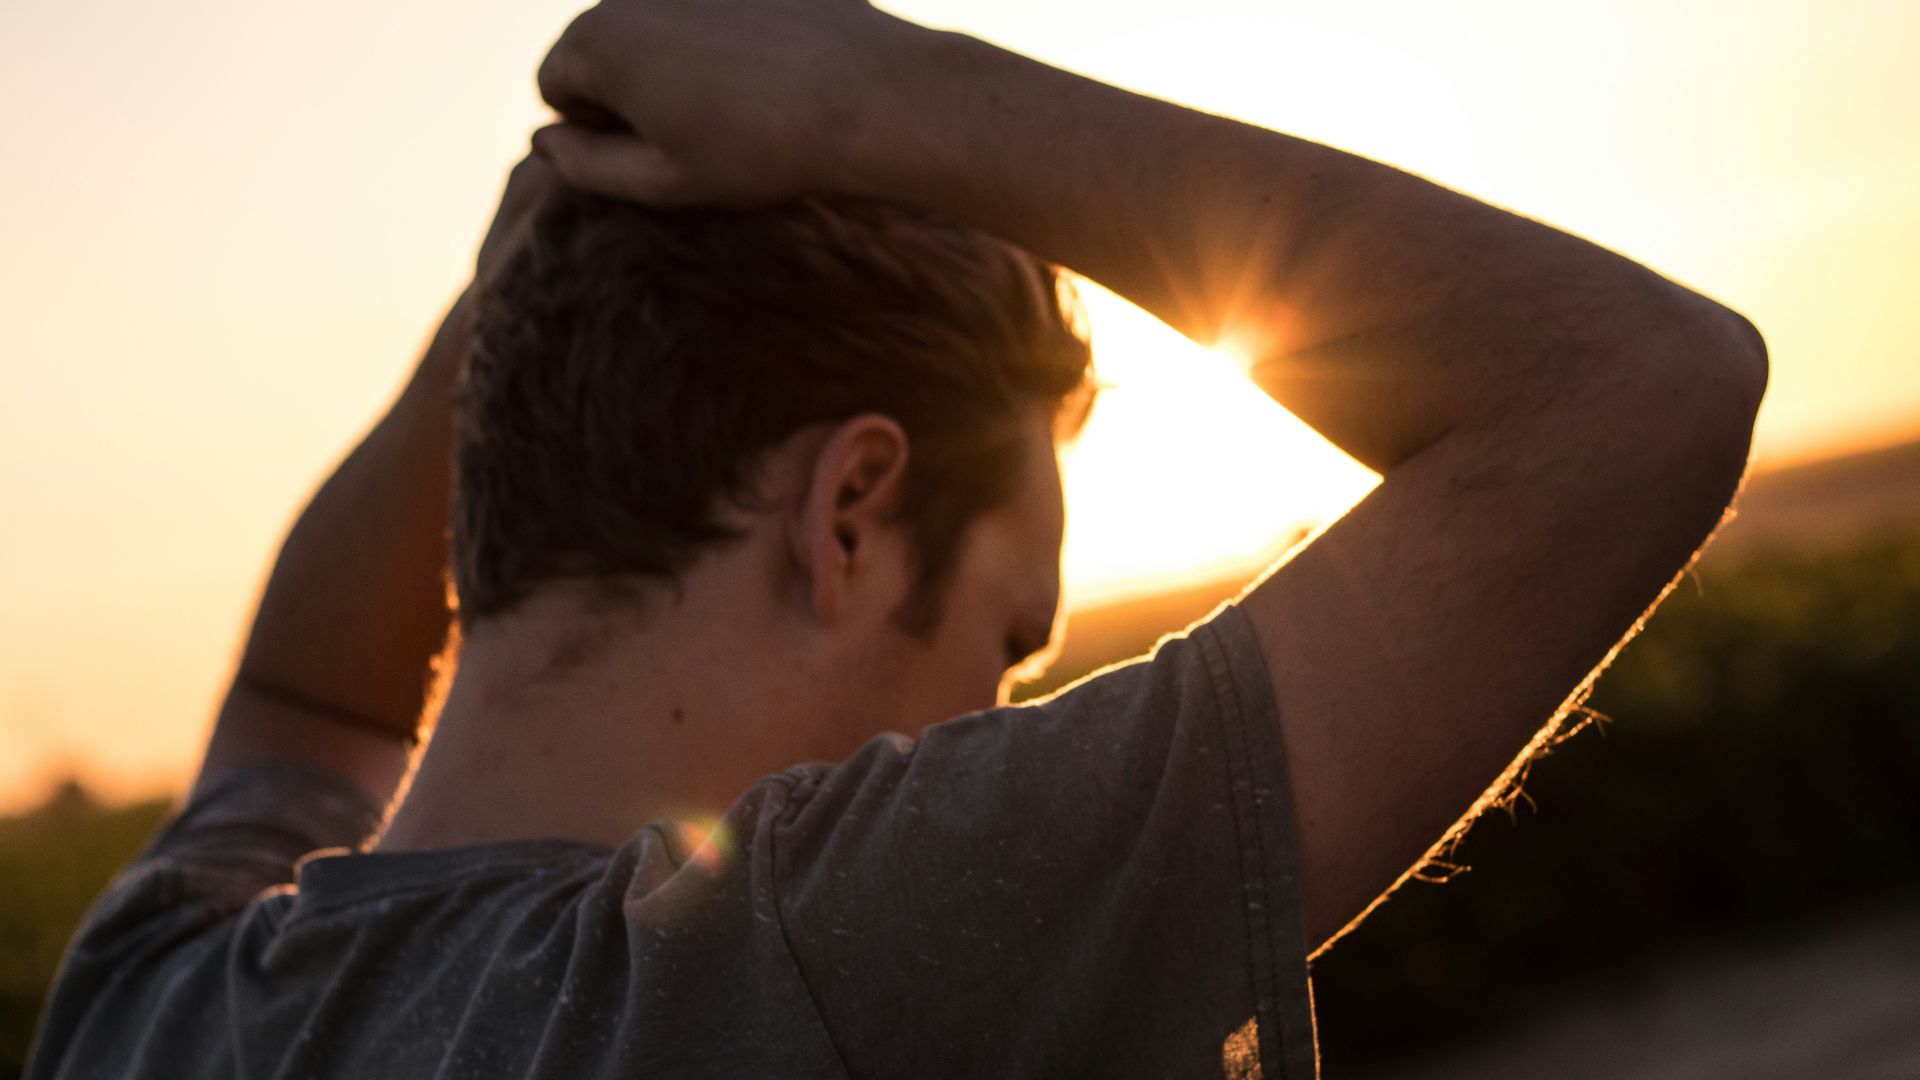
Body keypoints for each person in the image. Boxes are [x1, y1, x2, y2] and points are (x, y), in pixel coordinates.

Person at [27, 0, 1767, 1076]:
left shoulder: (157, 994)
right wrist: (875, 86)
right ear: (850, 514)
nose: (997, 721)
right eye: (1010, 637)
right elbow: (1640, 389)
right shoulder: (804, 968)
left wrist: (526, 268)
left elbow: (303, 704)